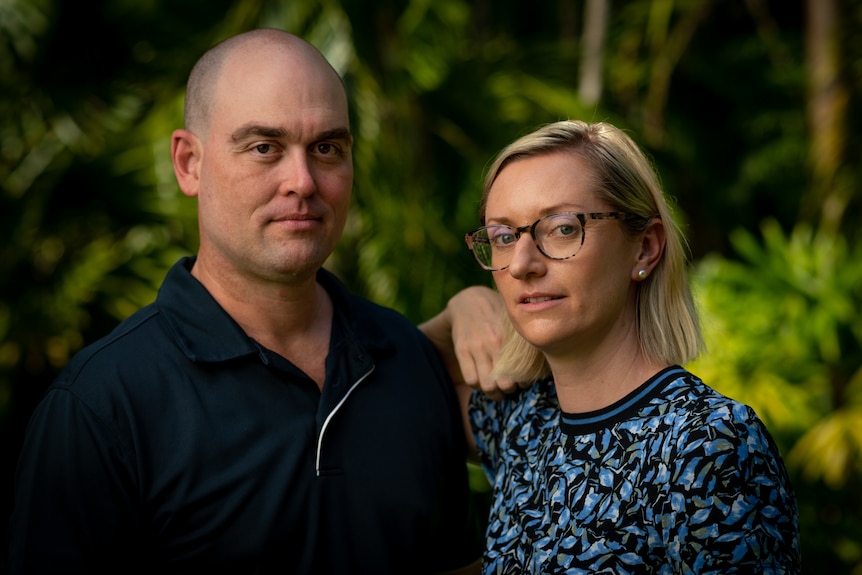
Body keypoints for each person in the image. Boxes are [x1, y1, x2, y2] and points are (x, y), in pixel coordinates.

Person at [9, 28, 485, 574]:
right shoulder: (100, 406)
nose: (303, 181)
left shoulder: (405, 357)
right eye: (265, 148)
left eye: (327, 148)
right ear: (189, 163)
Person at [426, 120, 802, 573]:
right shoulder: (524, 423)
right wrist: (460, 309)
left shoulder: (708, 444)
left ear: (645, 247)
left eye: (561, 228)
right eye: (504, 237)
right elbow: (382, 372)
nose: (522, 264)